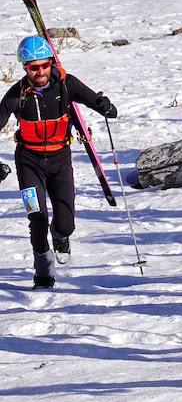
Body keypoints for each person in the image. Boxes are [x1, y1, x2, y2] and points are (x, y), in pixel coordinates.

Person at [0, 36, 119, 288]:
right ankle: (43, 271)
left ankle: (60, 236)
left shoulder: (67, 84)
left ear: (50, 62)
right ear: (24, 68)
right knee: (37, 217)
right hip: (28, 162)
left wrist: (105, 106)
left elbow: (90, 98)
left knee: (66, 221)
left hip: (60, 160)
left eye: (44, 65)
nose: (40, 71)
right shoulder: (16, 95)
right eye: (33, 67)